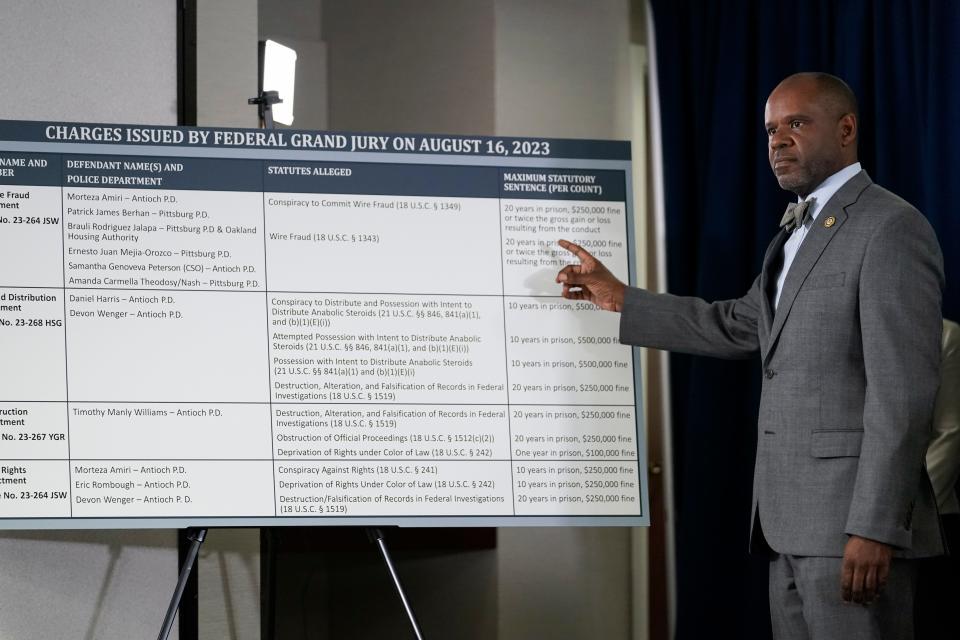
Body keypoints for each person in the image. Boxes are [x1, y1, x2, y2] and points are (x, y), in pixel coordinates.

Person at [556, 72, 944, 639]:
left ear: (846, 128)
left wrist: (876, 527)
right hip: (785, 526)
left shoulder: (890, 227)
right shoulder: (792, 233)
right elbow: (741, 324)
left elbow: (903, 393)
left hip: (850, 530)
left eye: (796, 124)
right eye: (770, 130)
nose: (778, 141)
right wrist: (621, 299)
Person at [916, 318, 960, 638]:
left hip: (930, 517)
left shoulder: (944, 333)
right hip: (839, 525)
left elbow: (950, 433)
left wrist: (892, 513)